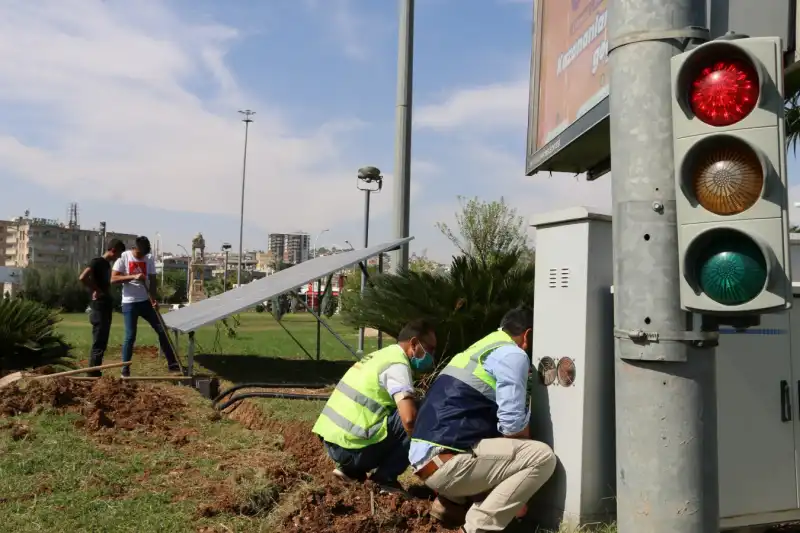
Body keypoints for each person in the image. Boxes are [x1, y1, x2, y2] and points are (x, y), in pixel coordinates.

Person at [408, 307, 556, 533]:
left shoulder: (481, 348)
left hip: (426, 462)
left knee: (500, 448)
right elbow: (512, 426)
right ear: (527, 335)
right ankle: (478, 528)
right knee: (541, 457)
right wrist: (520, 490)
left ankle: (451, 503)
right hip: (447, 464)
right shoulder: (512, 355)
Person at [312, 319, 437, 493]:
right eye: (430, 349)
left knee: (400, 409)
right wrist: (423, 450)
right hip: (351, 449)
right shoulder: (397, 365)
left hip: (335, 444)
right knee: (420, 411)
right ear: (414, 344)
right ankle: (385, 478)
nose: (432, 355)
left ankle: (349, 471)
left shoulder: (380, 356)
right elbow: (409, 420)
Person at [111, 236, 181, 377]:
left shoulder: (148, 259)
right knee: (130, 336)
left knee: (162, 330)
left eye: (145, 254)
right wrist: (133, 277)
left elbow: (153, 281)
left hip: (146, 302)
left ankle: (173, 364)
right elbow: (113, 279)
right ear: (135, 248)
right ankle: (125, 369)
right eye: (141, 253)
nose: (143, 256)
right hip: (129, 303)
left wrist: (154, 299)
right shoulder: (124, 257)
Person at [78, 239, 126, 377]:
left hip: (105, 306)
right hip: (99, 307)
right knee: (99, 340)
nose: (118, 258)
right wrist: (96, 290)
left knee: (102, 341)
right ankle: (92, 374)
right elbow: (82, 277)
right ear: (113, 250)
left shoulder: (106, 265)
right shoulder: (97, 262)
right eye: (118, 254)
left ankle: (95, 370)